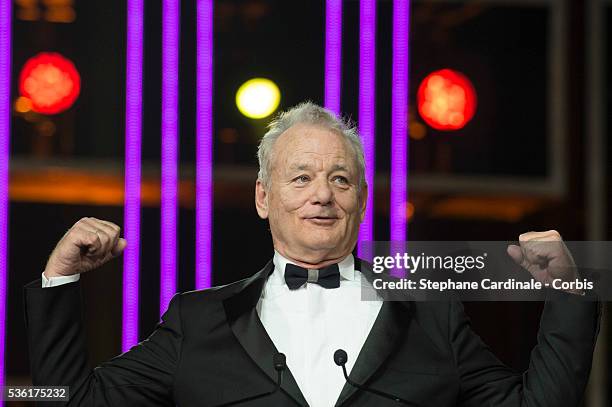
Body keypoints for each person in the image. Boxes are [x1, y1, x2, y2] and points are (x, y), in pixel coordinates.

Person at [24, 102, 600, 406]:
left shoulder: (433, 316)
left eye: (340, 179)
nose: (322, 194)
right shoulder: (195, 323)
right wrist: (59, 280)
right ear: (263, 198)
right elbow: (65, 400)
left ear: (363, 200)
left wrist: (570, 290)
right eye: (300, 178)